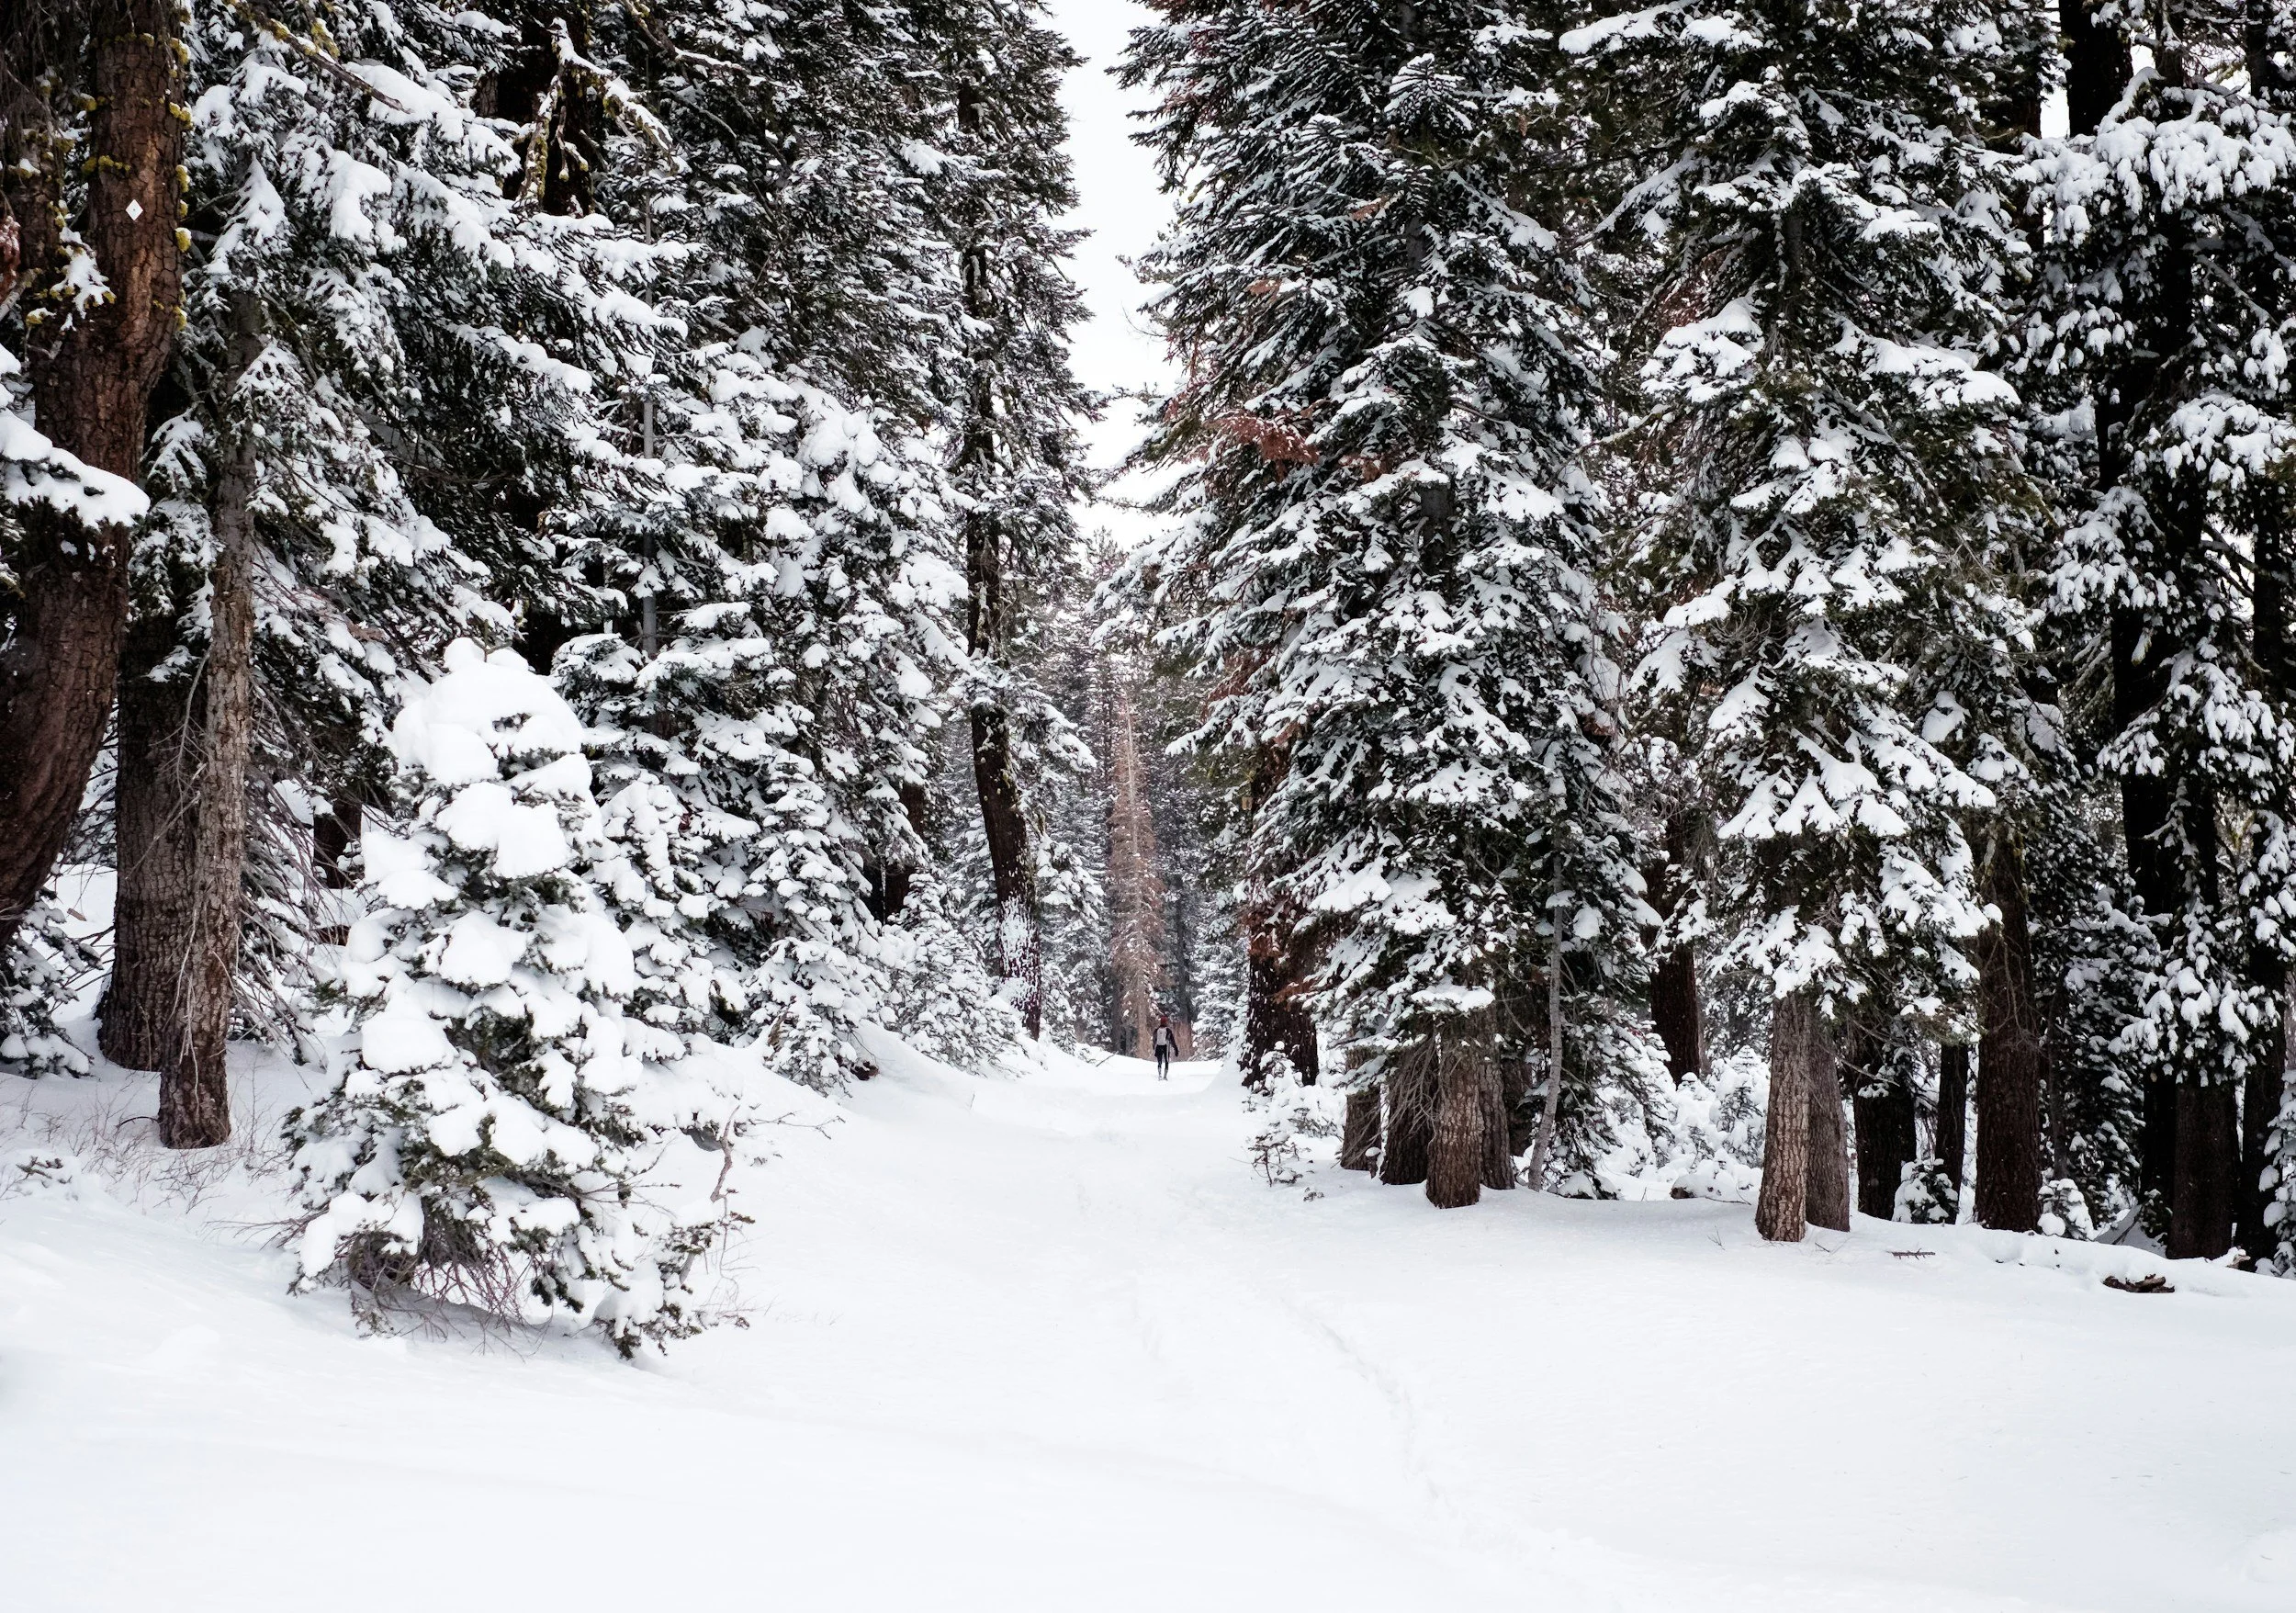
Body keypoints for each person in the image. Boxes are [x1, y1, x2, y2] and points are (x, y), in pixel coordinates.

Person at [1151, 1014, 1176, 1079]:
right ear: (1166, 1022)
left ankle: (1159, 1074)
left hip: (1159, 1046)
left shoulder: (1156, 1030)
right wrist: (1175, 1048)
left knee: (1159, 1061)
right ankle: (1165, 1076)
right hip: (1166, 1047)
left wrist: (1154, 1047)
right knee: (1166, 1061)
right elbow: (1172, 1040)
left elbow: (1154, 1040)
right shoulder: (1168, 1030)